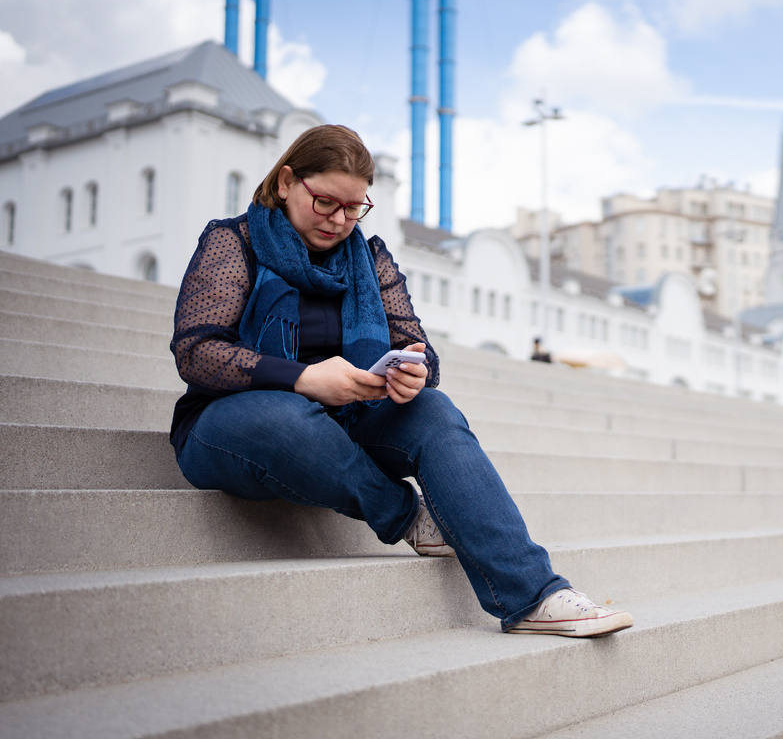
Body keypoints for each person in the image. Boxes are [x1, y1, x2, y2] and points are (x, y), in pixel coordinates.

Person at [169, 124, 632, 638]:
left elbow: (419, 347)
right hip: (236, 427)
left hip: (348, 418)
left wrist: (415, 373)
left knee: (434, 410)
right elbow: (197, 353)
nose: (341, 221)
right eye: (326, 202)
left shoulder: (371, 258)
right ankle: (405, 515)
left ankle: (533, 597)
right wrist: (304, 378)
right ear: (285, 182)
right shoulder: (234, 241)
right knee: (286, 415)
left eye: (355, 208)